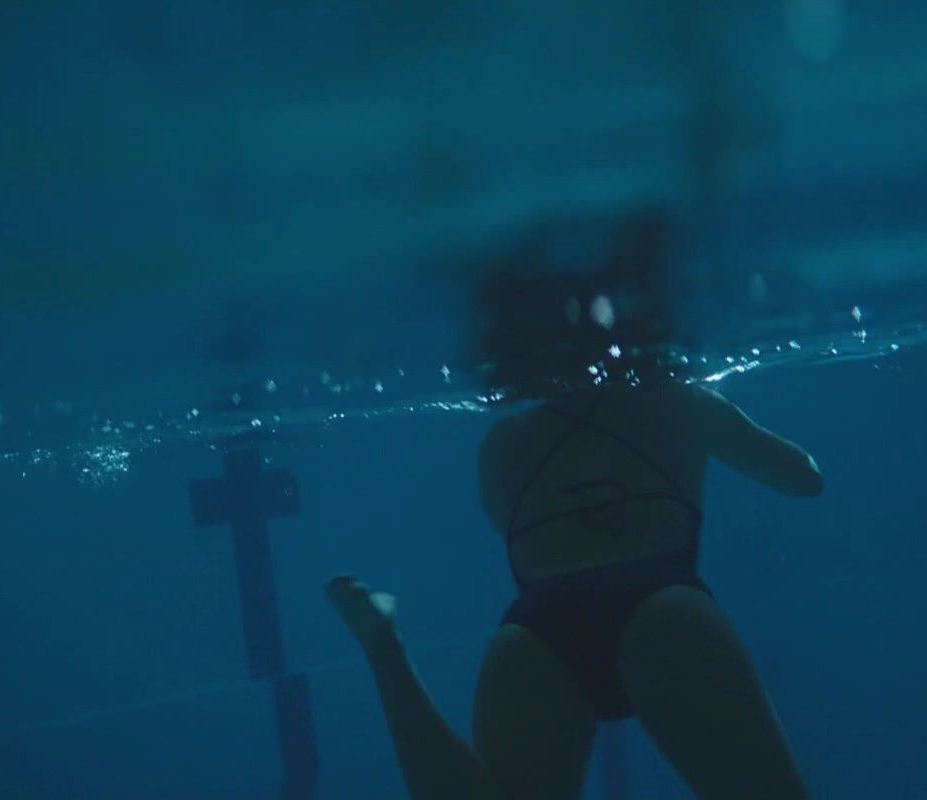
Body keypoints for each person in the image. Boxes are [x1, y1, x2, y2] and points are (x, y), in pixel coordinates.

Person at [325, 210, 823, 799]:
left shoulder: (504, 444)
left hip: (535, 632)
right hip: (666, 609)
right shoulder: (680, 402)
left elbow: (505, 519)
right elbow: (803, 480)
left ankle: (385, 651)